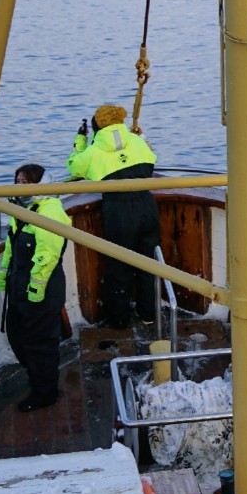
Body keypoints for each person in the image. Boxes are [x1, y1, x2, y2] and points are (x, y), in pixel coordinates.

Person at [68, 103, 160, 329]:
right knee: (149, 262)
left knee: (118, 264)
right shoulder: (136, 140)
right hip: (146, 204)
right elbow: (152, 158)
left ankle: (119, 319)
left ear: (96, 128)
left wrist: (80, 142)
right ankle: (148, 314)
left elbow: (74, 167)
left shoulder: (93, 151)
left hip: (118, 208)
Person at [0, 163, 73, 411]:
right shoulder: (22, 209)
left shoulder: (49, 211)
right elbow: (11, 247)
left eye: (25, 182)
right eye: (17, 181)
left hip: (43, 290)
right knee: (18, 336)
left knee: (39, 344)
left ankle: (45, 393)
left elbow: (48, 255)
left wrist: (35, 291)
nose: (19, 185)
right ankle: (38, 379)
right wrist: (4, 278)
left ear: (39, 184)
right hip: (20, 287)